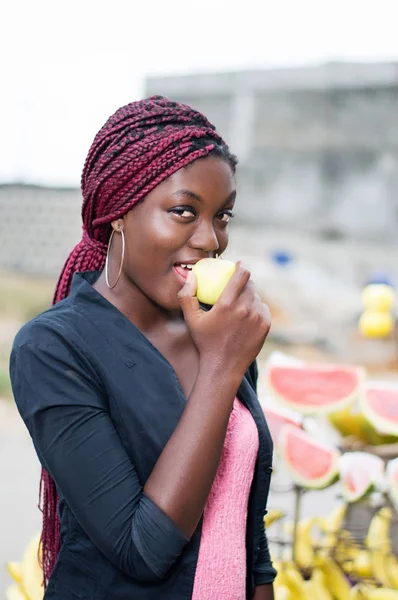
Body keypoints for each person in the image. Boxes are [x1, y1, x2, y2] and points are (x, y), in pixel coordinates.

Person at [10, 95, 276, 599]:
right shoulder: (54, 348)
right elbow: (142, 551)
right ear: (117, 215)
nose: (210, 240)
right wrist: (221, 367)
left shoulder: (217, 331)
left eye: (223, 216)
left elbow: (247, 539)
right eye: (183, 212)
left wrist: (225, 357)